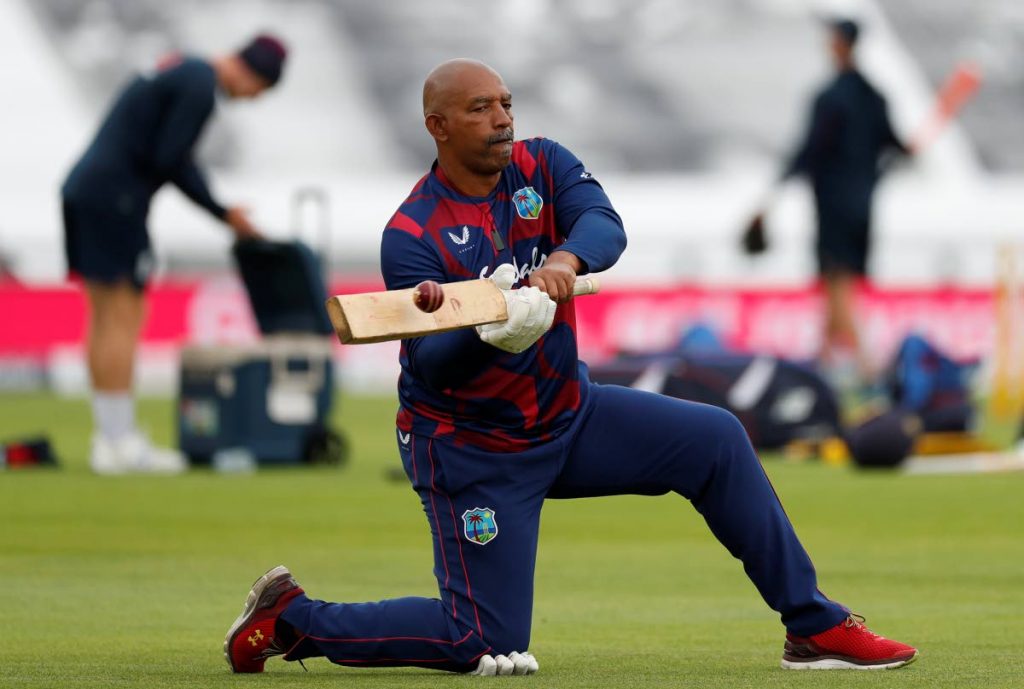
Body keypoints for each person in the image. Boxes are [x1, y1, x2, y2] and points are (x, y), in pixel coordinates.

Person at [224, 58, 918, 675]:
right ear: (437, 126)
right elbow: (434, 365)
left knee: (716, 440)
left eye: (506, 104)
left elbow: (603, 223)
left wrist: (564, 258)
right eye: (480, 109)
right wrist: (494, 334)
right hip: (473, 448)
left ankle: (813, 622)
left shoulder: (541, 165)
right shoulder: (412, 235)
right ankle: (290, 618)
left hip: (568, 415)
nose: (502, 120)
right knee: (481, 641)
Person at [61, 34, 287, 474]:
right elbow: (171, 158)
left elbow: (163, 153)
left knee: (104, 316)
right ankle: (119, 443)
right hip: (115, 199)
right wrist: (222, 212)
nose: (248, 101)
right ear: (252, 74)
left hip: (87, 190)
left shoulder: (184, 69)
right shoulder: (199, 86)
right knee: (124, 315)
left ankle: (110, 438)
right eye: (257, 93)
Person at [746, 18, 910, 384]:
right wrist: (910, 148)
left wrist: (774, 192)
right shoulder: (875, 95)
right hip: (864, 204)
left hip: (833, 204)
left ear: (839, 44)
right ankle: (823, 361)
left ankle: (864, 367)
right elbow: (896, 144)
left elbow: (810, 151)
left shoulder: (830, 97)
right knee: (837, 280)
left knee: (837, 280)